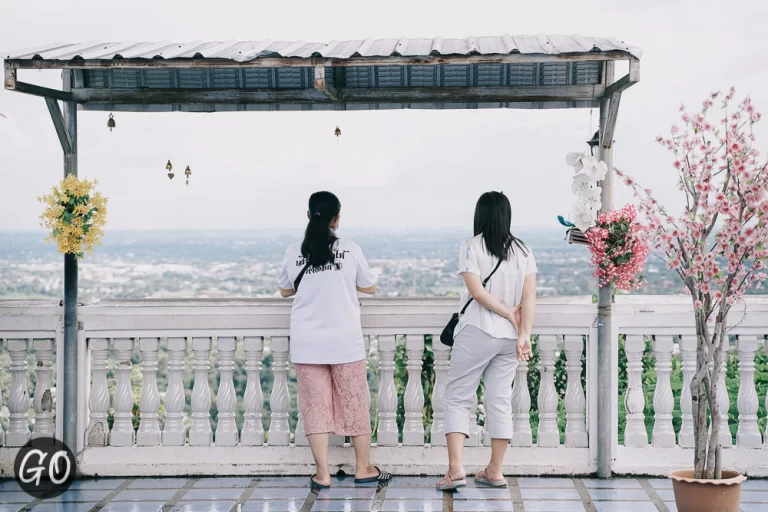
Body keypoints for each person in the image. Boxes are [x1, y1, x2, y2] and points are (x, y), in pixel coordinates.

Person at [278, 191, 391, 491]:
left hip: (307, 342)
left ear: (308, 215)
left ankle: (323, 473)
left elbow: (285, 290)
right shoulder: (350, 249)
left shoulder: (294, 251)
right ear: (337, 219)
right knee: (354, 404)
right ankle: (364, 468)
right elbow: (370, 286)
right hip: (345, 341)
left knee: (314, 407)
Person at [436, 191, 536, 491]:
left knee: (458, 396)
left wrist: (504, 311)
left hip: (477, 330)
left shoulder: (471, 246)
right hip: (509, 337)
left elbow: (476, 292)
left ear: (479, 215)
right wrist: (524, 333)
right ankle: (495, 470)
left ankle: (455, 470)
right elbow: (529, 296)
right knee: (500, 400)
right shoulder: (523, 250)